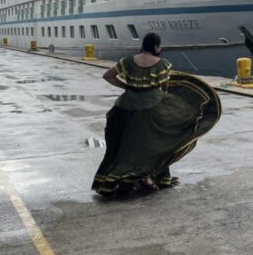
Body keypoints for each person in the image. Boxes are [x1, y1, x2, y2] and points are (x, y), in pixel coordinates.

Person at [92, 32, 221, 197]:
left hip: (124, 109)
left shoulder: (128, 61)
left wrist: (128, 87)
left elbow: (107, 76)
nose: (161, 48)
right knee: (155, 146)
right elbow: (165, 88)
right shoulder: (163, 64)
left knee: (125, 147)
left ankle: (121, 178)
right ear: (155, 46)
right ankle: (148, 175)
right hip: (151, 111)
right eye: (160, 45)